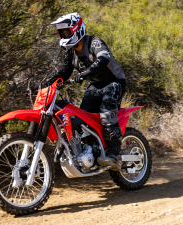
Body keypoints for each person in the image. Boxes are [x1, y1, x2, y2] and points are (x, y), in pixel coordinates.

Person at [46, 12, 126, 170]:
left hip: (114, 81)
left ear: (76, 29)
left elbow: (104, 58)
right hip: (96, 86)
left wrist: (85, 73)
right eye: (61, 33)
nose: (63, 35)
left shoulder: (94, 42)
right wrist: (45, 84)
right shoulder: (71, 54)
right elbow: (62, 73)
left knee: (106, 111)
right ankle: (94, 152)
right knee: (84, 118)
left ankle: (115, 154)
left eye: (65, 32)